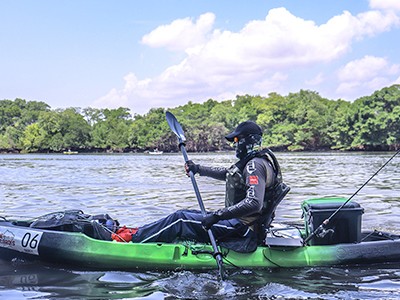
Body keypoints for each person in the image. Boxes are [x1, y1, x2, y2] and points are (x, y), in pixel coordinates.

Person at [130, 121, 289, 252]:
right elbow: (229, 174)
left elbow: (254, 203)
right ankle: (137, 232)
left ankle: (133, 242)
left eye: (236, 140)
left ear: (248, 140)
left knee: (180, 219)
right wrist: (198, 169)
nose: (234, 145)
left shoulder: (255, 165)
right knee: (185, 213)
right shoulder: (255, 162)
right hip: (238, 224)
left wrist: (218, 216)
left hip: (242, 230)